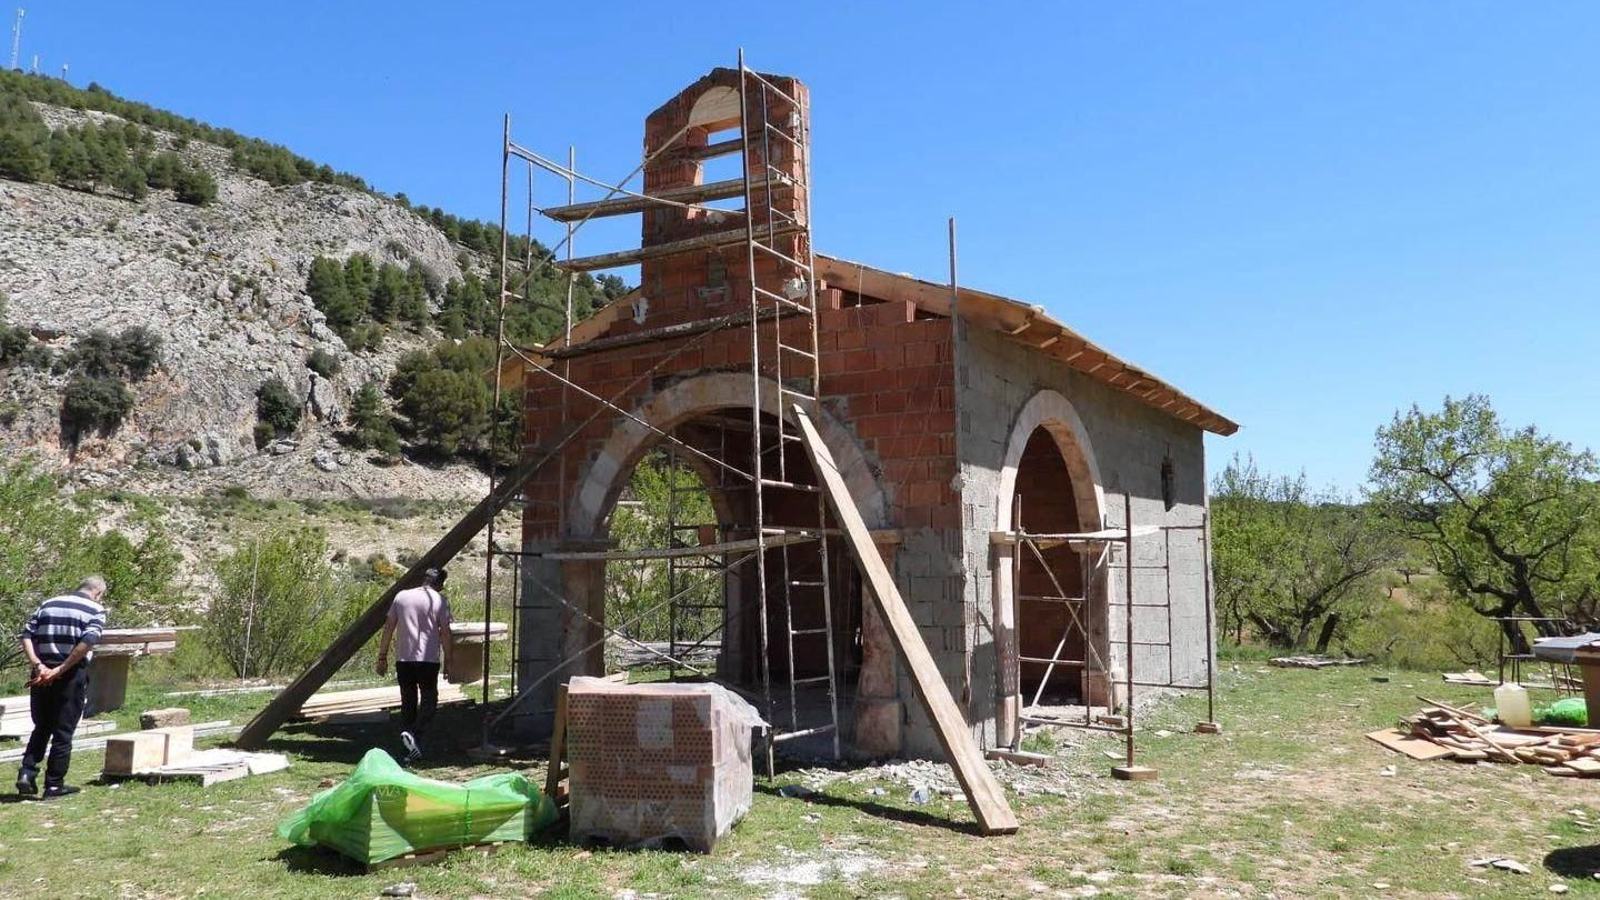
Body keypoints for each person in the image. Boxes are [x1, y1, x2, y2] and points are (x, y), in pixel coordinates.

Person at [16, 575, 108, 799]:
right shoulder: (95, 609)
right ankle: (54, 785)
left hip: (41, 673)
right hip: (70, 675)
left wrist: (38, 665)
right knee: (63, 731)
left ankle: (27, 773)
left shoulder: (48, 603)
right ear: (98, 593)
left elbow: (27, 635)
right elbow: (87, 642)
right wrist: (61, 668)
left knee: (41, 726)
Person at [377, 567, 452, 763]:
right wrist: (449, 661)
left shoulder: (401, 596)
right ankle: (415, 735)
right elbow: (444, 632)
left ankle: (408, 745)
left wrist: (382, 656)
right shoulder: (440, 601)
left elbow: (388, 627)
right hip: (427, 659)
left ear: (424, 580)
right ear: (440, 584)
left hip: (404, 658)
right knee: (429, 700)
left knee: (408, 701)